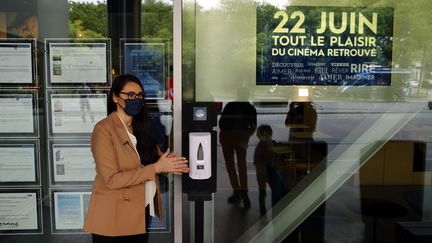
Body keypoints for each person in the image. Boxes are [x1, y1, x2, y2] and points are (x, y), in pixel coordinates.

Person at [83, 74, 189, 243]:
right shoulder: (103, 130)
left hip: (142, 208)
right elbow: (112, 179)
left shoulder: (143, 127)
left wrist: (168, 163)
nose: (136, 99)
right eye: (130, 95)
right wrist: (156, 168)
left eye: (139, 96)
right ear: (116, 97)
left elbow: (151, 163)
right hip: (114, 217)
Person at [219, 89, 257, 208]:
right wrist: (245, 136)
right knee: (241, 166)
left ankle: (238, 191)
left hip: (230, 139)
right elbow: (253, 127)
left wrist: (224, 135)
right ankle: (242, 192)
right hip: (238, 139)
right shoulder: (250, 108)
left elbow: (222, 122)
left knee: (232, 166)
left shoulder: (231, 106)